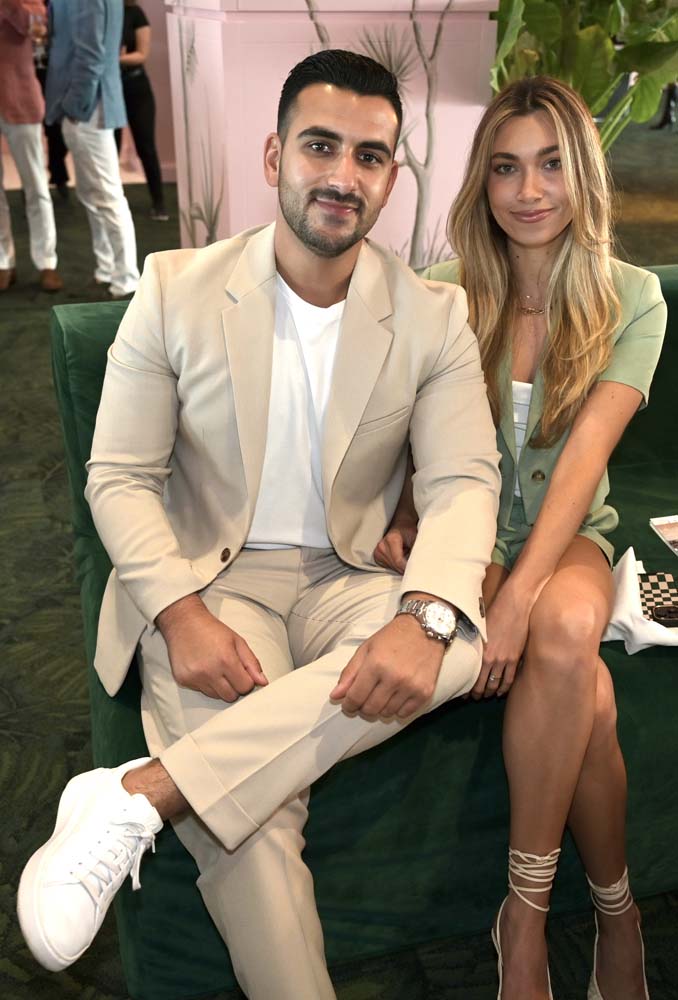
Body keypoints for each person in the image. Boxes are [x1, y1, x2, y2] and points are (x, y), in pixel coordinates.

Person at [17, 50, 501, 999]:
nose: (343, 176)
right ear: (275, 156)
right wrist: (178, 614)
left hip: (351, 578)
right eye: (321, 146)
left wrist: (427, 610)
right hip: (213, 582)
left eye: (370, 157)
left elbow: (466, 479)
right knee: (259, 818)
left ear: (391, 178)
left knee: (454, 646)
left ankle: (140, 794)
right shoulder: (174, 288)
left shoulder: (435, 316)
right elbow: (117, 476)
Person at [375, 76, 666, 1000]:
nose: (529, 190)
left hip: (568, 533)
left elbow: (580, 471)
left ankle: (528, 917)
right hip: (467, 536)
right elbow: (407, 441)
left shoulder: (634, 300)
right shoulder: (447, 295)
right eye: (506, 168)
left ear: (583, 177)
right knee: (594, 696)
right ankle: (616, 909)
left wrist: (511, 601)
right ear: (483, 183)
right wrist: (407, 521)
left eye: (550, 165)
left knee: (565, 630)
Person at [44, 0, 139, 298]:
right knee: (90, 193)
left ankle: (125, 278)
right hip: (89, 105)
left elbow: (91, 55)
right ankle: (108, 267)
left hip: (87, 108)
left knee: (107, 196)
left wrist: (75, 106)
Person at [0, 0, 62, 292]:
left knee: (36, 186)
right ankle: (3, 262)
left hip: (21, 100)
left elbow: (37, 30)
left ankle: (47, 261)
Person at [116, 1, 168, 221]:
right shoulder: (97, 12)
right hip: (111, 91)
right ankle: (115, 204)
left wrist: (113, 59)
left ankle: (159, 203)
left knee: (146, 147)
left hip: (137, 89)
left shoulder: (134, 13)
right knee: (110, 149)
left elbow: (142, 54)